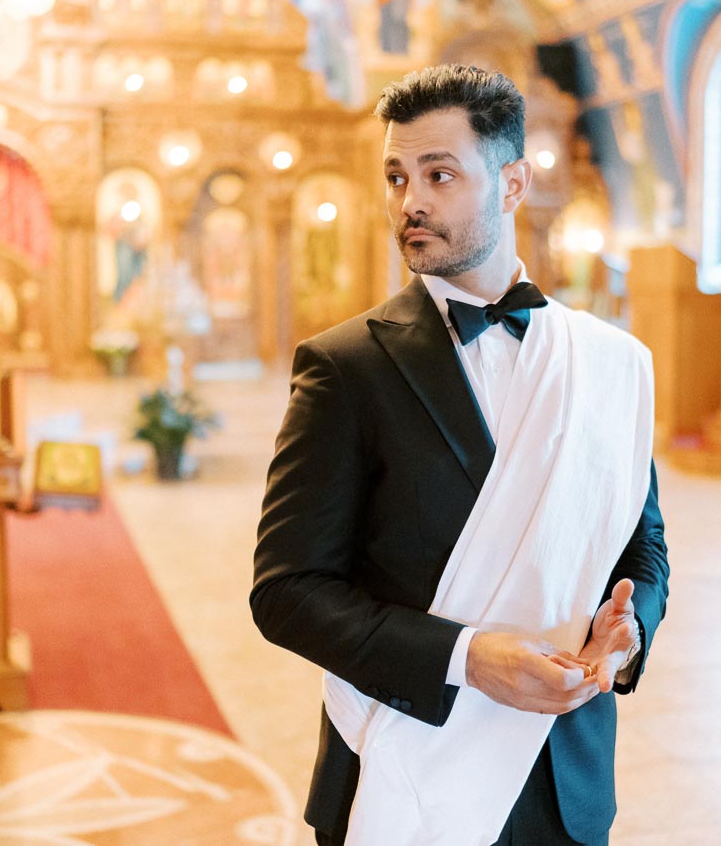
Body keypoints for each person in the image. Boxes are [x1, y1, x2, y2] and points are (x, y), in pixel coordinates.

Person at [251, 64, 669, 846]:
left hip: (561, 780)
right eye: (397, 175)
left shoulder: (610, 363)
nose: (411, 200)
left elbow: (643, 544)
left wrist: (629, 628)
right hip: (400, 762)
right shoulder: (345, 368)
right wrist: (467, 659)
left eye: (440, 174)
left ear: (512, 184)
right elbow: (285, 591)